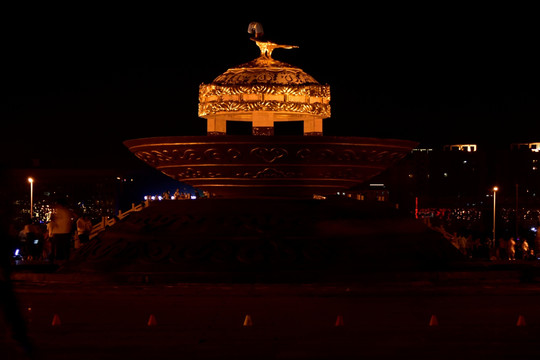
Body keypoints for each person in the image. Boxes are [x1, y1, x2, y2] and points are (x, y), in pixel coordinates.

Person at [48, 198, 74, 264]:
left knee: (57, 248)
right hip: (66, 232)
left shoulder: (58, 211)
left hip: (58, 232)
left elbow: (53, 220)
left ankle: (57, 260)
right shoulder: (67, 211)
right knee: (65, 248)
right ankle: (65, 260)